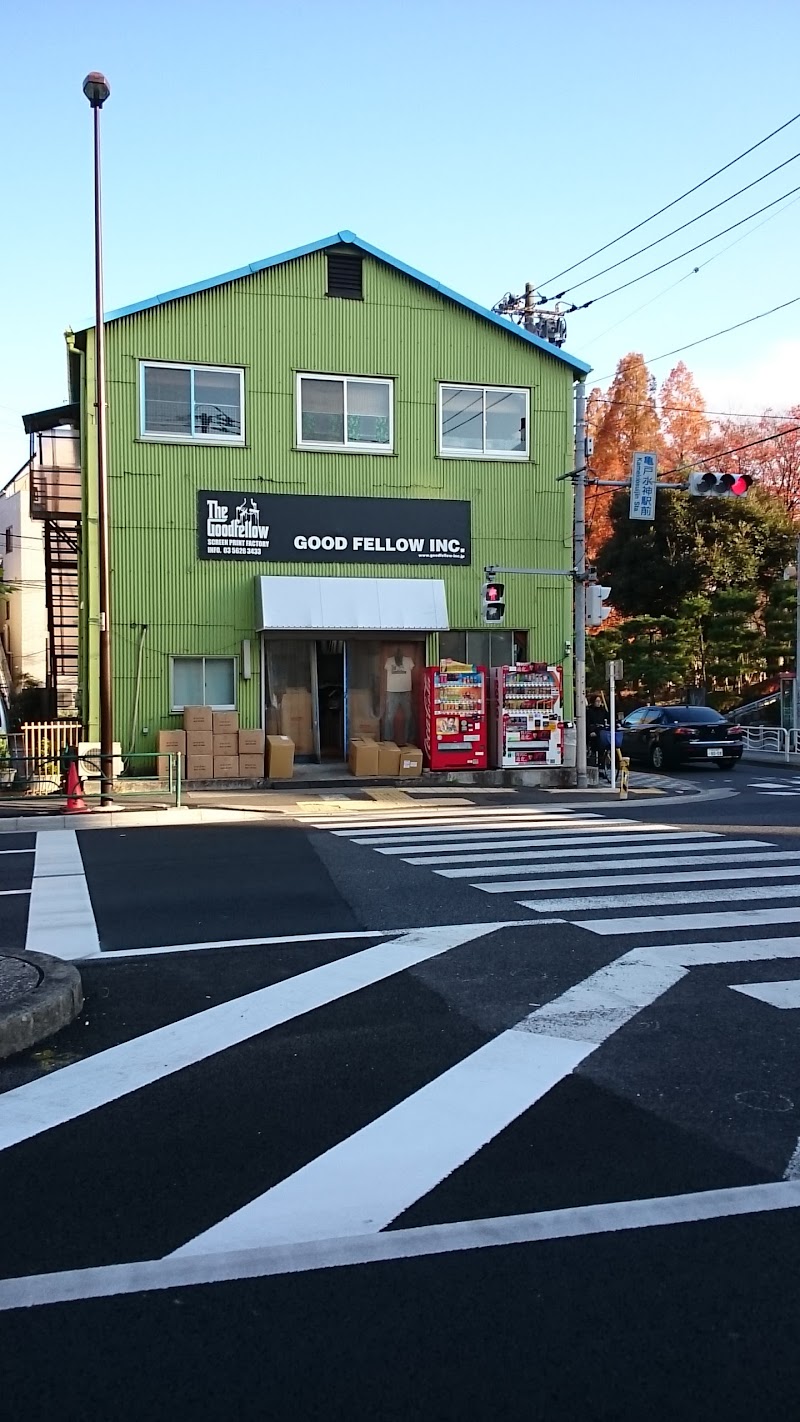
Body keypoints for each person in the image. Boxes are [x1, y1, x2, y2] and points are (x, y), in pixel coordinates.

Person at [586, 694, 608, 767]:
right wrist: (590, 731)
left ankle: (602, 762)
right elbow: (587, 723)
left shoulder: (603, 710)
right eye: (597, 701)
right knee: (595, 743)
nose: (598, 703)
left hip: (601, 730)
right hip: (593, 731)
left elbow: (608, 718)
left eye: (599, 701)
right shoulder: (589, 711)